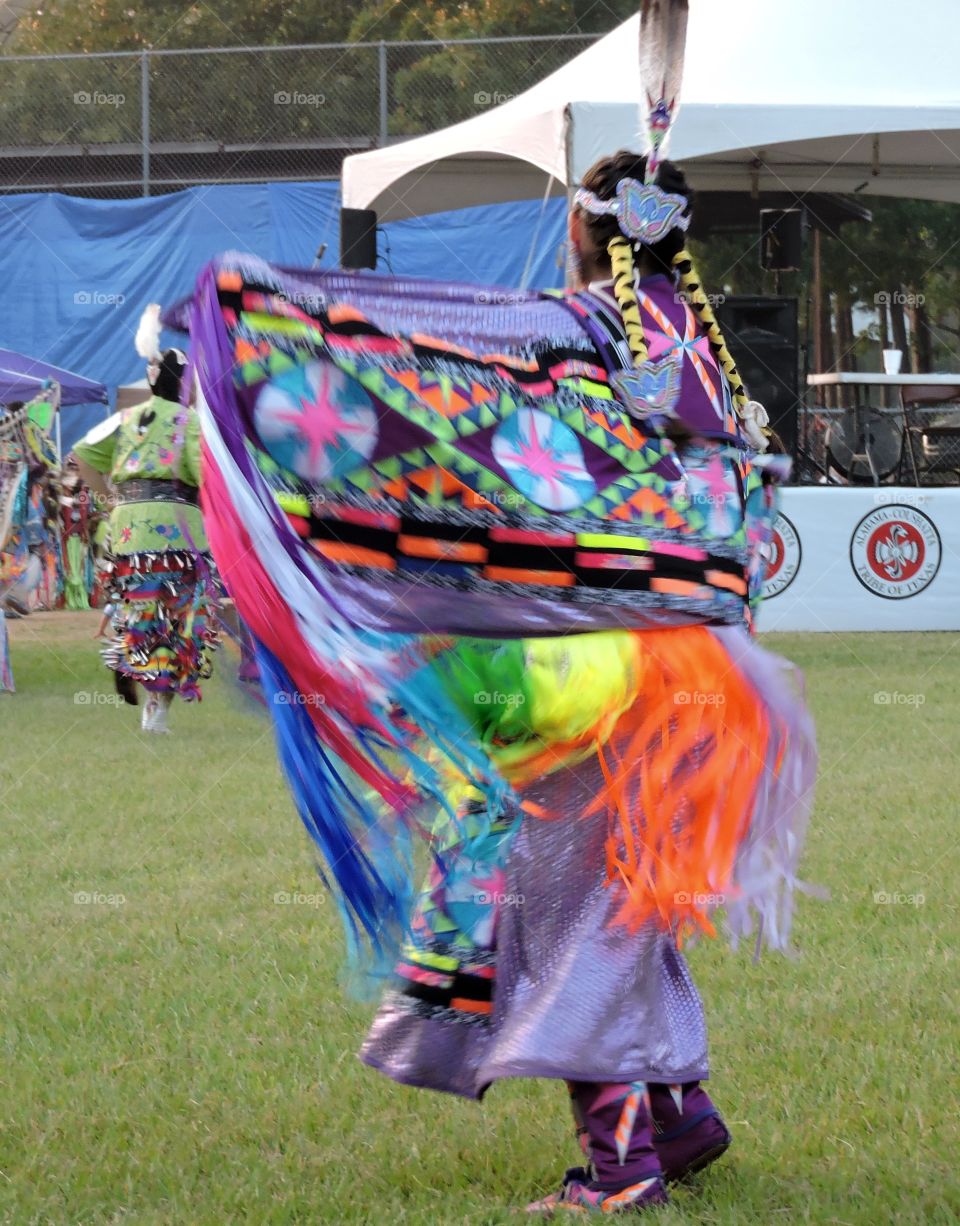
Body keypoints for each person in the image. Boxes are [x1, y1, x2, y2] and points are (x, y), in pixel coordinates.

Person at [191, 152, 816, 1216]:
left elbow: (435, 335)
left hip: (590, 670)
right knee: (627, 896)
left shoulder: (572, 327)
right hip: (709, 674)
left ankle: (620, 1166)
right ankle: (681, 1113)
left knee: (570, 906)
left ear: (584, 231)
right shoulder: (698, 345)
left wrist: (270, 302)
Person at [73, 306, 218, 732]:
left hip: (129, 528)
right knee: (179, 616)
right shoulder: (191, 423)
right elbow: (207, 477)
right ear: (186, 386)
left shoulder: (126, 418)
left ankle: (141, 688)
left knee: (141, 613)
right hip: (177, 526)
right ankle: (158, 708)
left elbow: (81, 456)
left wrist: (111, 500)